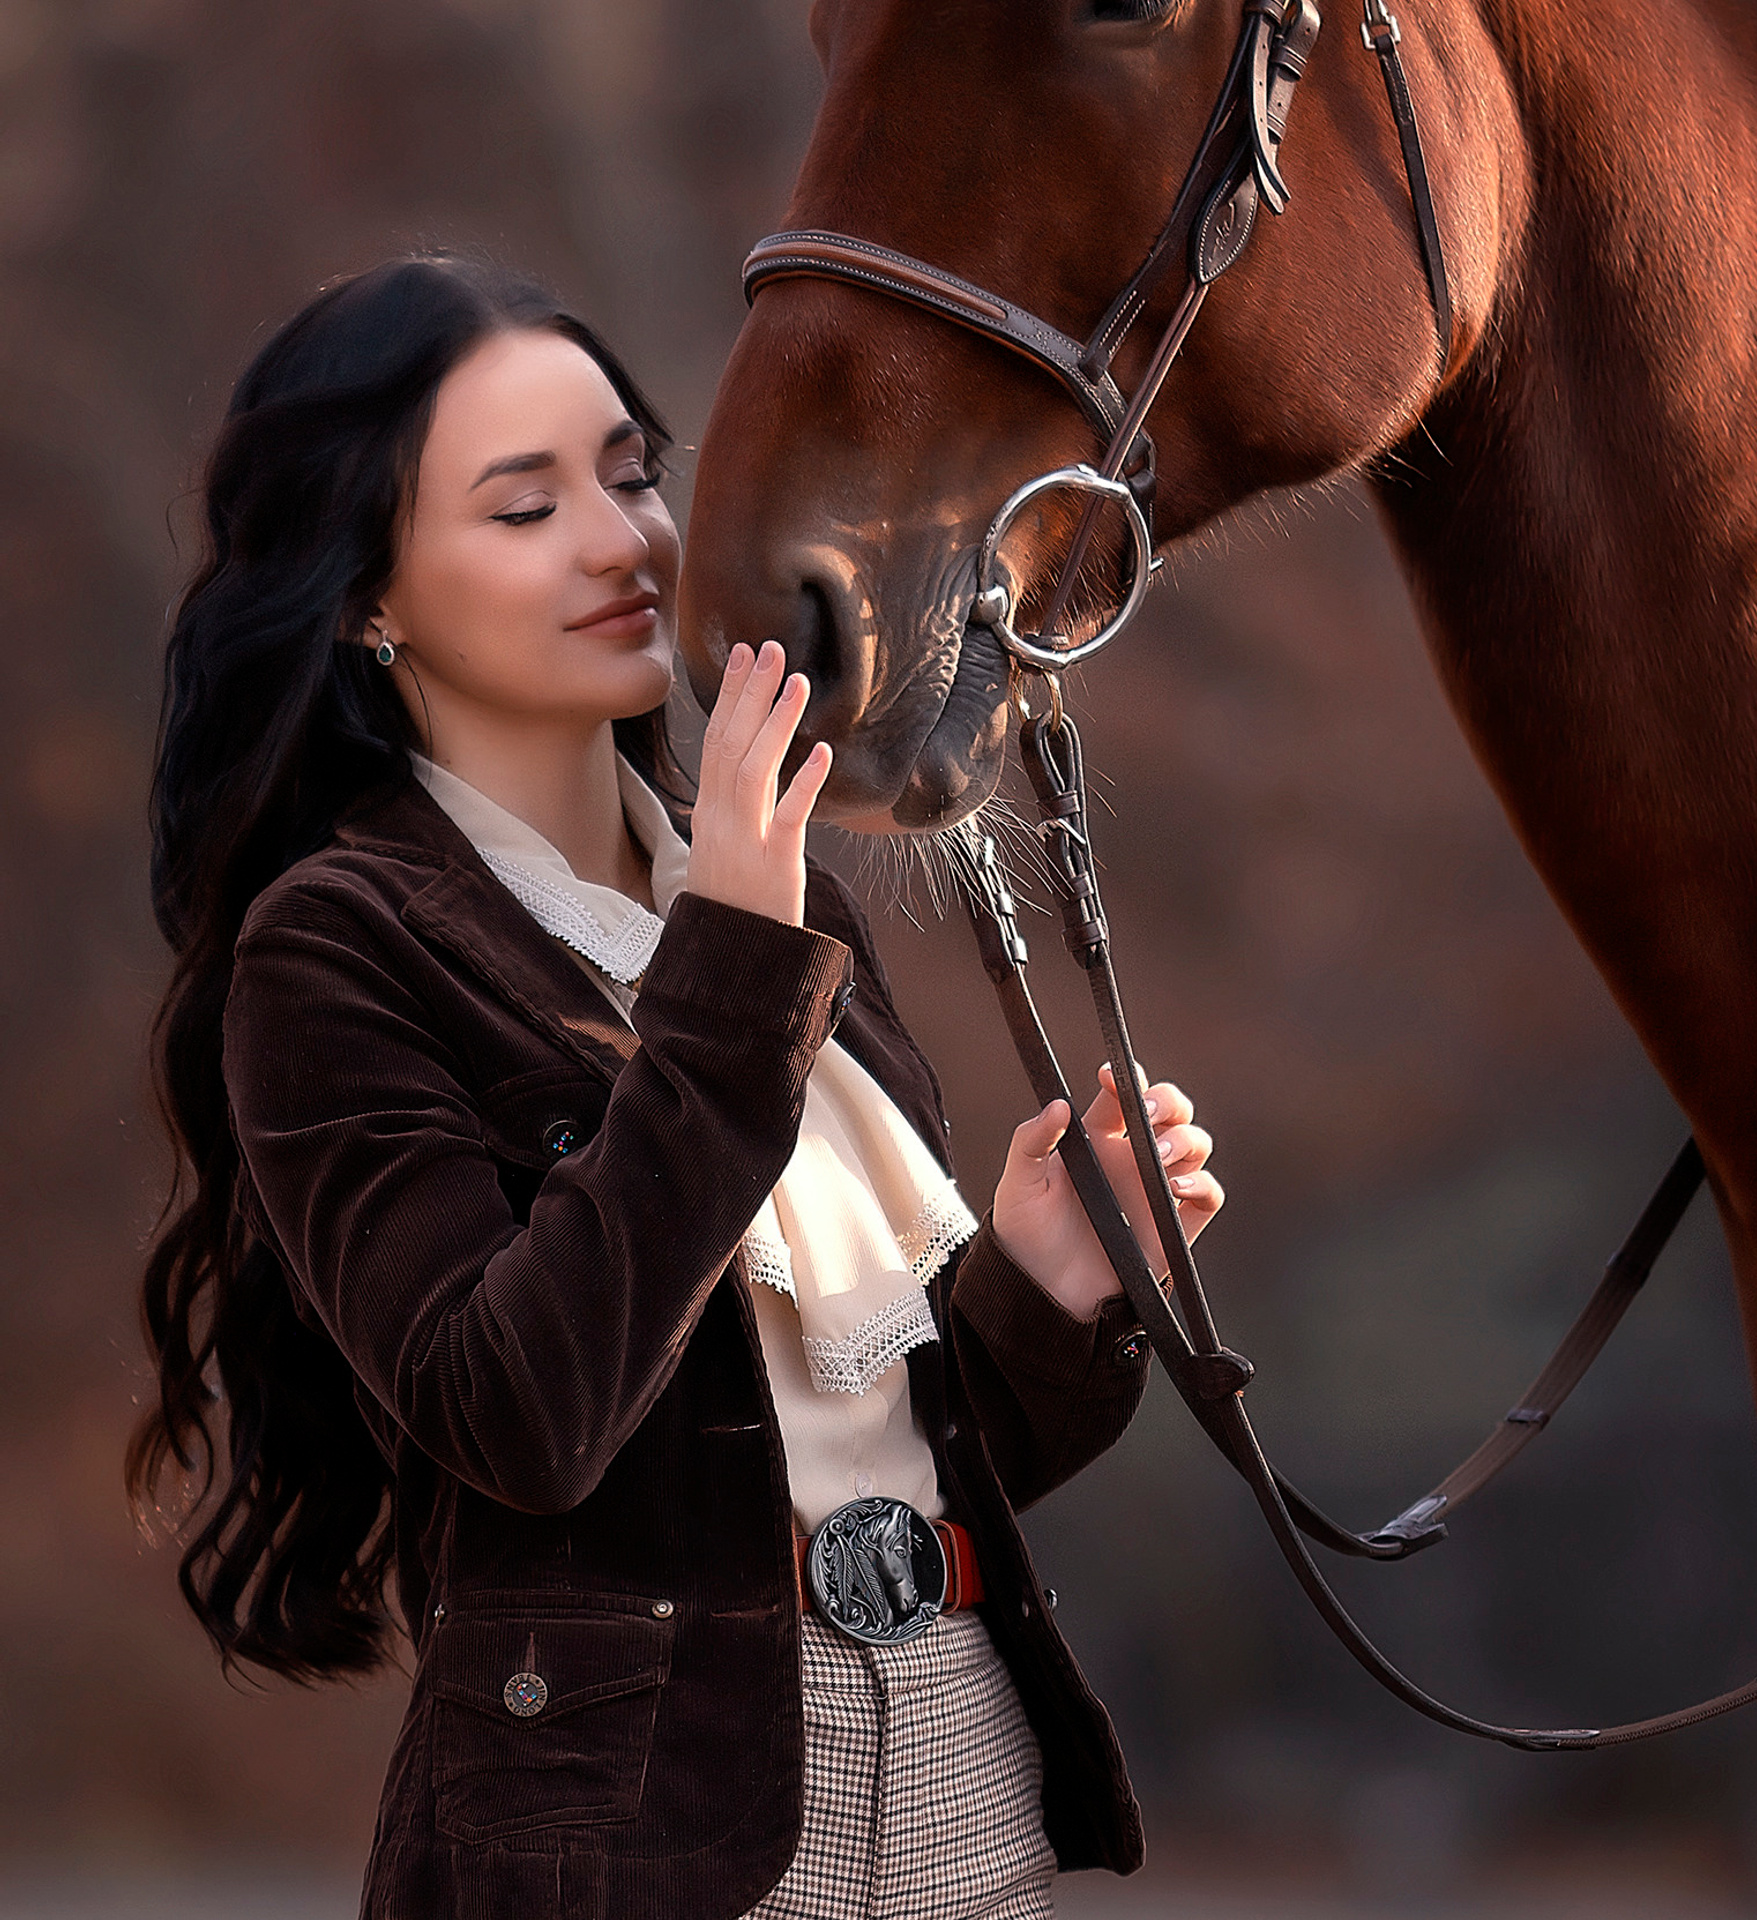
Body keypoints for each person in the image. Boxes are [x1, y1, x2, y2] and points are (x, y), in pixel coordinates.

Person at [129, 255, 1224, 1920]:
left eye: (633, 473)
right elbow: (524, 1415)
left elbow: (867, 1453)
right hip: (623, 1836)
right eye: (522, 508)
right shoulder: (336, 949)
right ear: (369, 596)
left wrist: (1046, 1284)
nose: (622, 539)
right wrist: (724, 972)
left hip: (957, 1779)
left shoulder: (760, 892)